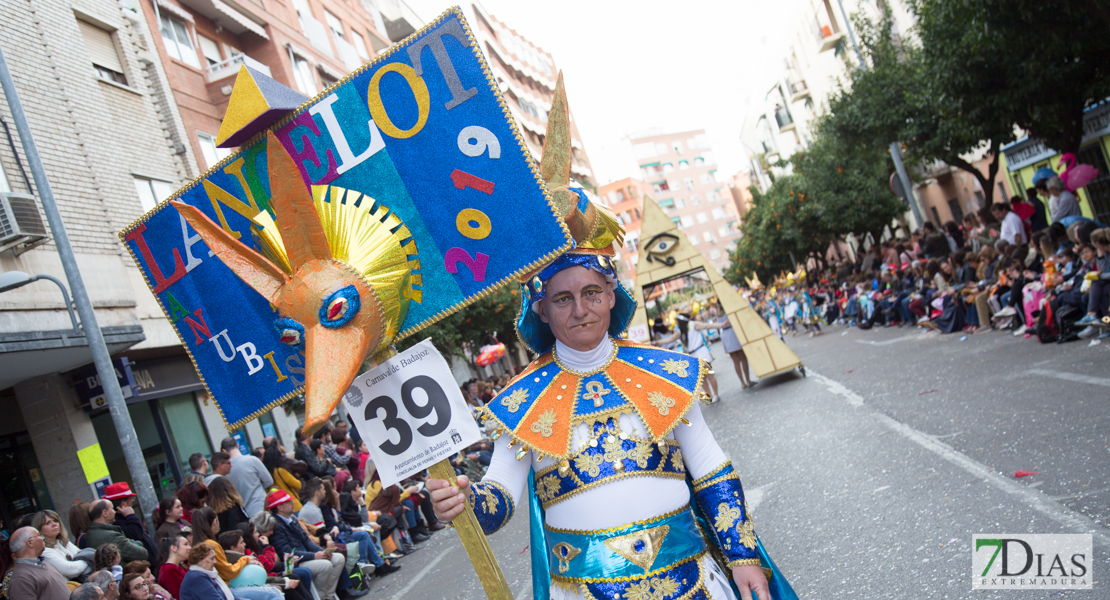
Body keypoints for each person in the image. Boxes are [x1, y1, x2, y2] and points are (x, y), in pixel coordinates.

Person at [426, 167, 784, 600]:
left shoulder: (667, 373)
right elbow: (500, 496)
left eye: (592, 292)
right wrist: (464, 503)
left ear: (612, 296)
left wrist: (743, 558)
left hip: (695, 583)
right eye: (562, 298)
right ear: (541, 309)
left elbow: (710, 468)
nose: (581, 309)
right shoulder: (519, 403)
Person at [267, 491, 359, 600]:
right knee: (325, 565)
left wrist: (322, 552)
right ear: (280, 507)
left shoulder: (292, 519)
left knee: (338, 558)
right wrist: (314, 556)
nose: (292, 502)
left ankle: (328, 596)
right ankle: (319, 597)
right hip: (296, 562)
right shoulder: (277, 526)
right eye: (288, 501)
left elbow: (307, 541)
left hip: (305, 556)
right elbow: (287, 552)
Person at [190, 509, 278, 600]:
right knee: (274, 593)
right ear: (215, 522)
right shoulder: (212, 545)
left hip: (217, 588)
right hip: (223, 588)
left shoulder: (196, 543)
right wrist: (245, 560)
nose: (214, 561)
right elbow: (229, 572)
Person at [6, 526, 71, 600]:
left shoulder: (45, 564)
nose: (43, 538)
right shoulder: (20, 579)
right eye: (39, 535)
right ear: (30, 542)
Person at [221, 438, 274, 518]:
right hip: (261, 505)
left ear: (223, 451)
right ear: (237, 446)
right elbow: (269, 481)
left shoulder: (225, 470)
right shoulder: (252, 460)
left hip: (244, 512)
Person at [33, 510, 91, 581]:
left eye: (55, 521)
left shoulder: (64, 542)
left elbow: (80, 560)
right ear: (39, 529)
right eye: (47, 523)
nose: (54, 524)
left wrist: (82, 562)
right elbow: (71, 570)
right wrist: (89, 560)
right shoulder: (44, 551)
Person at [106, 484, 158, 563]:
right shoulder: (119, 522)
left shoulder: (126, 518)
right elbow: (136, 535)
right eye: (131, 498)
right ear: (123, 503)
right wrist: (131, 516)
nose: (133, 501)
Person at [261, 447, 302, 512]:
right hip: (292, 505)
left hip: (278, 509)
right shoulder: (280, 471)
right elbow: (298, 485)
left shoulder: (266, 475)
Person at [156, 534, 190, 599]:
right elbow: (179, 595)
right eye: (185, 544)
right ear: (174, 548)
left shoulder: (181, 566)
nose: (190, 547)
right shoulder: (169, 570)